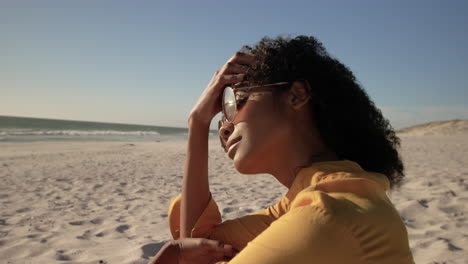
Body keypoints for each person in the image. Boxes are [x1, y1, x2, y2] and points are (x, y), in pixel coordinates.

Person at [149, 35, 415, 264]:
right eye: (221, 116)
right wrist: (197, 123)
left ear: (296, 95)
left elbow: (186, 255)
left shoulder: (326, 214)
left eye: (236, 102)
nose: (225, 127)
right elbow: (200, 246)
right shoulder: (314, 196)